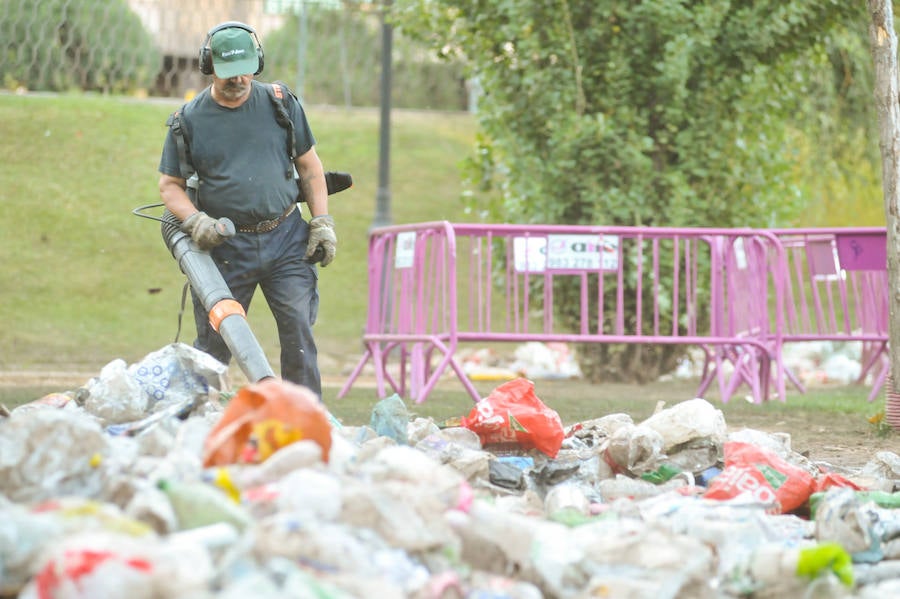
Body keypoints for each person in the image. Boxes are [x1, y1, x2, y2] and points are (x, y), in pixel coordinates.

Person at [157, 21, 336, 398]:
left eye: (245, 71)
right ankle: (200, 423)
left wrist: (321, 221)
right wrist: (195, 220)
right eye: (227, 74)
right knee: (214, 344)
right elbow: (169, 186)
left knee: (299, 332)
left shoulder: (279, 102)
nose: (237, 80)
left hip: (286, 237)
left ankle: (306, 422)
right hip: (226, 248)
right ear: (209, 66)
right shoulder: (188, 120)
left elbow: (310, 167)